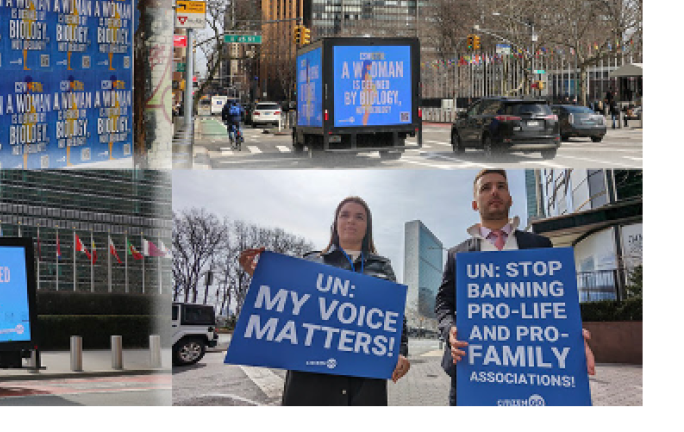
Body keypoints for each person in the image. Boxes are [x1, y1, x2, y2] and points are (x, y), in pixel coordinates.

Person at [434, 169, 596, 406]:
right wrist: (450, 330)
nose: (495, 192)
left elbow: (556, 303)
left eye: (501, 186)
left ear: (511, 198)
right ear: (474, 203)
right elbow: (443, 303)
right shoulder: (457, 255)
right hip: (471, 369)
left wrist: (572, 337)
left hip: (533, 373)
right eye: (486, 188)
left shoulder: (540, 246)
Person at [238, 196, 410, 406]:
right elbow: (287, 307)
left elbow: (395, 316)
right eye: (344, 215)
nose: (351, 221)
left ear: (367, 227)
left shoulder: (382, 267)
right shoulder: (310, 262)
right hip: (312, 382)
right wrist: (264, 278)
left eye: (359, 217)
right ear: (335, 224)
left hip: (363, 380)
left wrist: (400, 353)